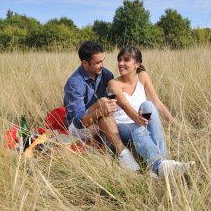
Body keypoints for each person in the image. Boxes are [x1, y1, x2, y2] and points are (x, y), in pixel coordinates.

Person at [108, 46, 194, 177]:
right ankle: (160, 164)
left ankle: (162, 164)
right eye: (119, 60)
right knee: (138, 127)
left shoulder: (143, 77)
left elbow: (157, 103)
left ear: (137, 63)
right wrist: (137, 118)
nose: (121, 63)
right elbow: (124, 105)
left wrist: (176, 124)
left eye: (126, 60)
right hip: (122, 125)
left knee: (148, 104)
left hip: (140, 120)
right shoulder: (113, 83)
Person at [64, 41, 140, 171]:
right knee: (104, 102)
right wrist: (99, 112)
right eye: (98, 63)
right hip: (78, 127)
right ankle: (124, 155)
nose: (102, 65)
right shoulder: (74, 83)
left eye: (103, 61)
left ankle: (132, 154)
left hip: (102, 119)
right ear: (85, 63)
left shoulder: (106, 74)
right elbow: (78, 122)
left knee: (107, 106)